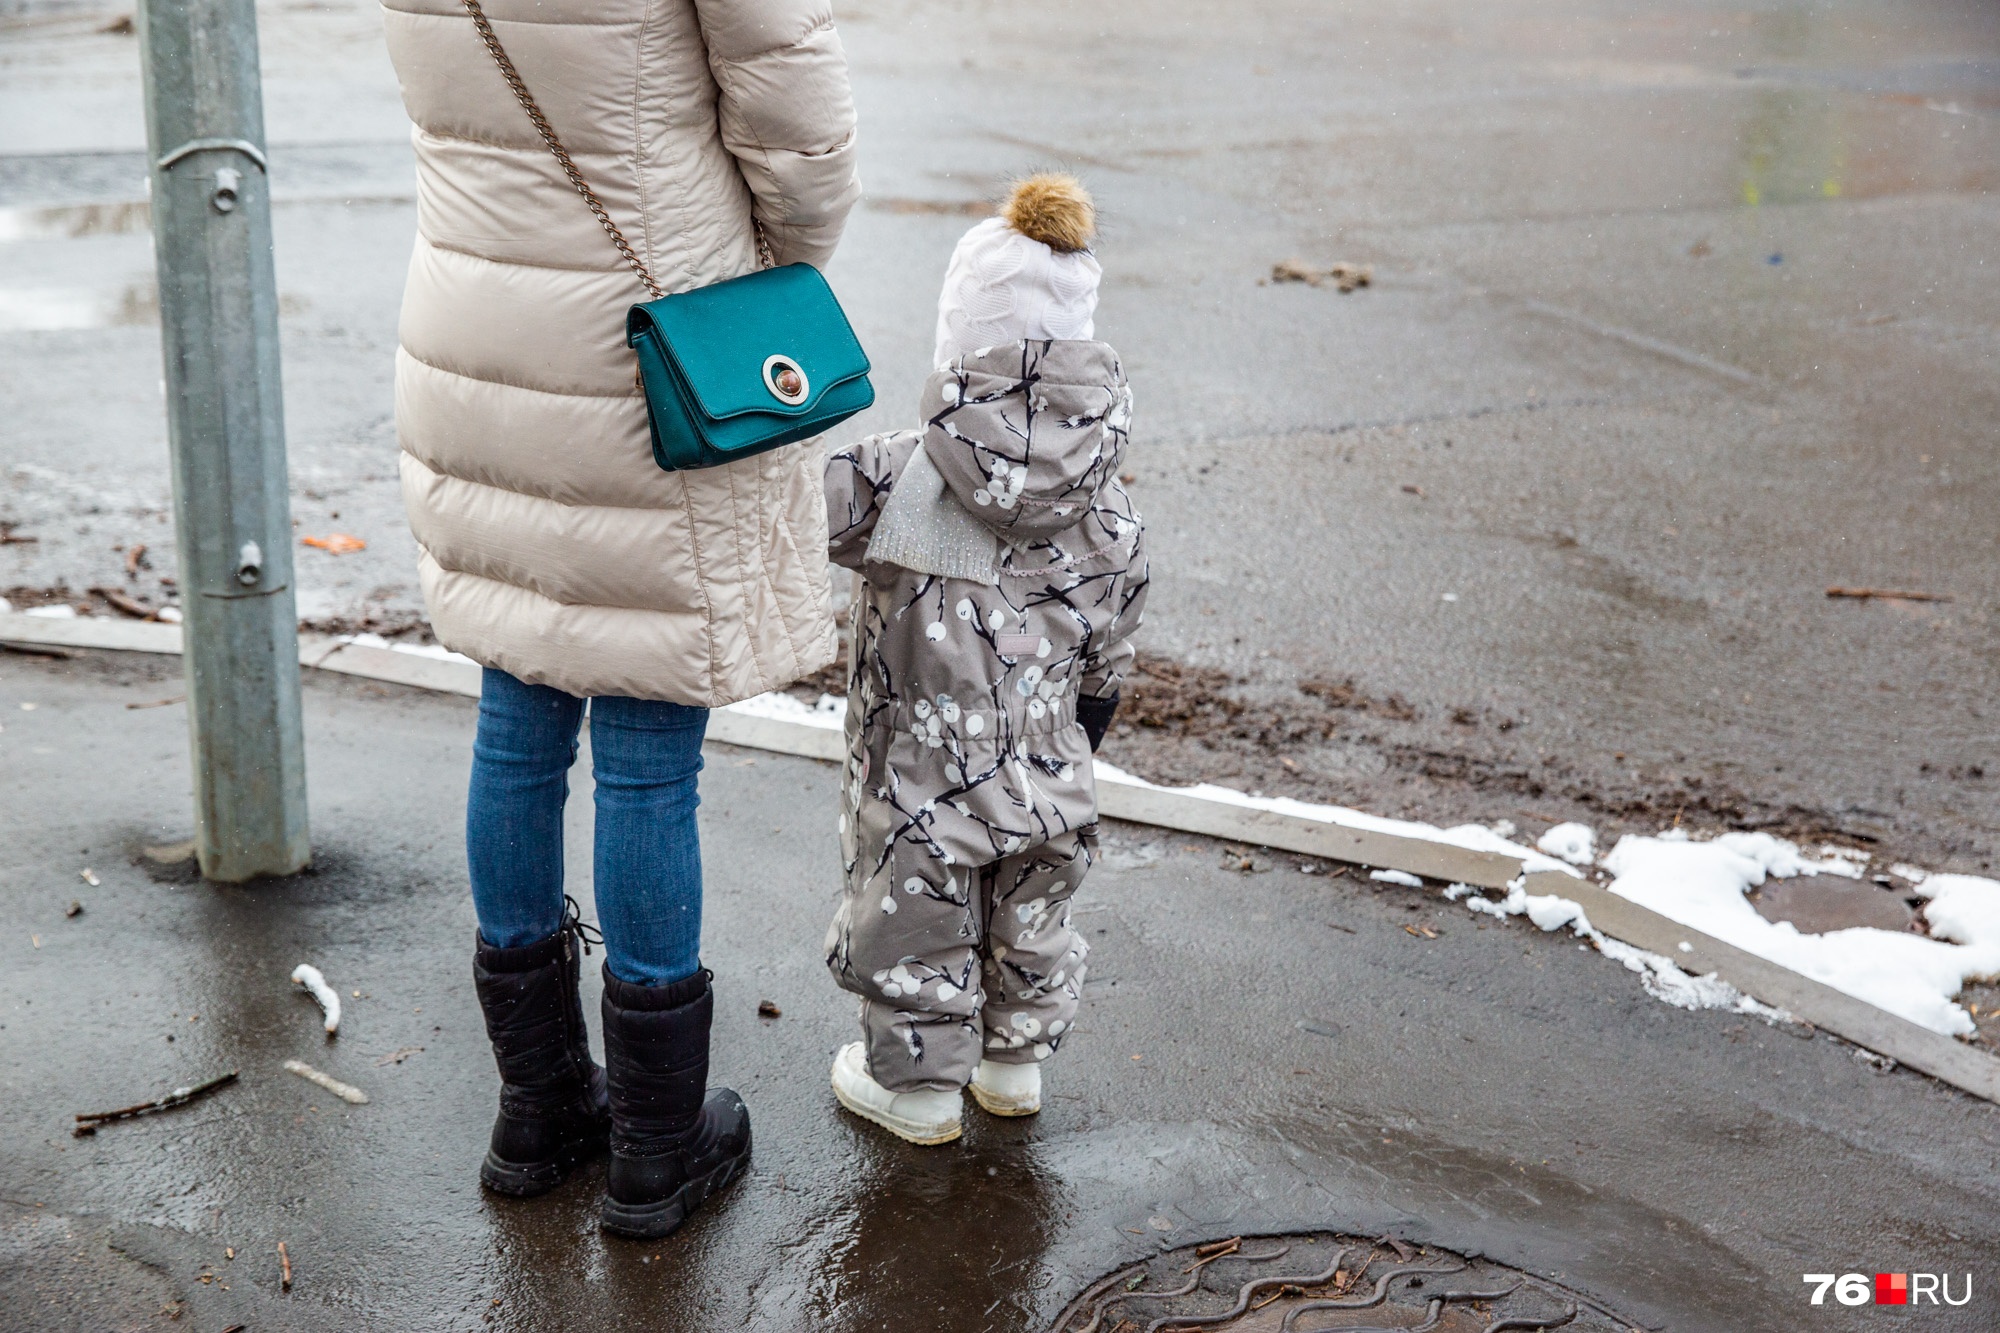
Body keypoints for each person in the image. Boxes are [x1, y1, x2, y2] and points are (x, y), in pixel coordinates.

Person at [378, 0, 860, 1237]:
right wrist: (769, 248)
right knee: (647, 748)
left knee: (517, 706)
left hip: (474, 322)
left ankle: (536, 1108)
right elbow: (797, 125)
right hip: (646, 334)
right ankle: (656, 1145)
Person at [820, 175, 1149, 1145]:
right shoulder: (1112, 502)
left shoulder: (894, 472)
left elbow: (792, 521)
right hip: (1051, 753)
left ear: (958, 339)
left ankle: (917, 1091)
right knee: (1031, 912)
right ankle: (1013, 1067)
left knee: (915, 914)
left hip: (918, 764)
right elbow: (1115, 626)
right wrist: (1084, 722)